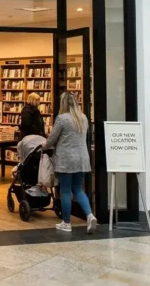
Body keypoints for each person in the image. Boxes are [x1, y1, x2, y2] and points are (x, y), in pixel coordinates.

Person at [43, 92, 95, 233]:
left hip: (66, 160)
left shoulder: (62, 119)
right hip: (82, 159)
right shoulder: (83, 117)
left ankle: (66, 223)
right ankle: (89, 215)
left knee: (65, 190)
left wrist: (44, 147)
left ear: (63, 103)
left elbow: (53, 138)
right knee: (78, 189)